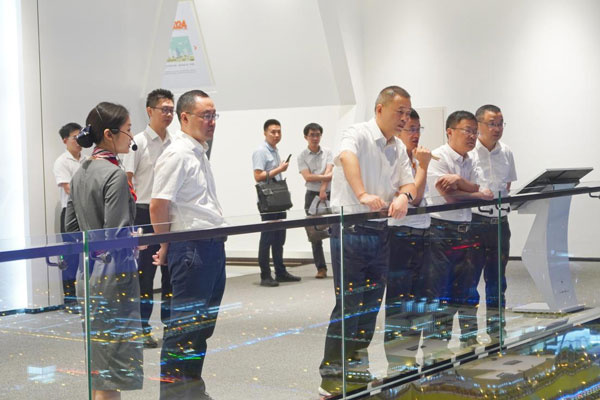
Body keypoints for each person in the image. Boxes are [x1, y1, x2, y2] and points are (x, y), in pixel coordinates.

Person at [319, 86, 417, 397]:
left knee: (371, 306)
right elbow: (347, 158)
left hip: (381, 231)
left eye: (407, 113)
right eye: (399, 112)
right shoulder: (357, 133)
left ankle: (356, 368)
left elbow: (409, 183)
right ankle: (332, 376)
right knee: (349, 305)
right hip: (352, 230)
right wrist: (361, 193)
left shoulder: (397, 146)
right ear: (379, 109)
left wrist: (403, 196)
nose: (404, 119)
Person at [150, 89, 225, 400]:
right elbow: (158, 204)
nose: (212, 121)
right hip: (191, 247)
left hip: (210, 245)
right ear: (185, 117)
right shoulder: (178, 154)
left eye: (214, 115)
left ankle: (191, 392)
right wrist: (165, 245)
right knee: (184, 329)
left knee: (200, 328)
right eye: (205, 115)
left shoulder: (197, 152)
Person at [65, 102, 143, 399]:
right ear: (109, 134)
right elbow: (116, 235)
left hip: (87, 274)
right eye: (128, 129)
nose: (131, 136)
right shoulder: (114, 174)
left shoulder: (80, 173)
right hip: (114, 276)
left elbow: (71, 228)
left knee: (101, 364)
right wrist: (137, 238)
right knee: (113, 368)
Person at [424, 110, 493, 346]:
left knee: (468, 290)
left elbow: (484, 190)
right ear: (450, 132)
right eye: (467, 131)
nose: (473, 136)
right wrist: (473, 191)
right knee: (440, 294)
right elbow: (450, 198)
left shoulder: (472, 159)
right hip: (441, 232)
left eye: (475, 132)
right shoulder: (438, 157)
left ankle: (469, 344)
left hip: (467, 230)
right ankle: (436, 354)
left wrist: (460, 182)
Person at [123, 88, 175, 348]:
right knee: (144, 275)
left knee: (171, 273)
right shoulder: (138, 142)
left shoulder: (176, 143)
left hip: (170, 212)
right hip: (144, 213)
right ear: (149, 111)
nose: (168, 114)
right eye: (164, 109)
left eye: (171, 110)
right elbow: (127, 180)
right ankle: (142, 328)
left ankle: (170, 325)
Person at [384, 109, 432, 371]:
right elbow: (415, 196)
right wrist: (423, 167)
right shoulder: (394, 157)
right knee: (400, 302)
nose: (416, 134)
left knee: (420, 302)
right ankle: (398, 364)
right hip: (401, 235)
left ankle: (413, 359)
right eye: (410, 129)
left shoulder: (416, 157)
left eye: (418, 129)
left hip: (424, 233)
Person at [469, 104, 516, 342]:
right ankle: (468, 336)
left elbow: (507, 185)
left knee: (498, 280)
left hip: (500, 223)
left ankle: (497, 332)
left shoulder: (506, 151)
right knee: (470, 280)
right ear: (478, 125)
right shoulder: (469, 152)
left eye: (500, 124)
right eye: (492, 124)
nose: (497, 129)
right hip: (474, 223)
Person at [252, 119, 301, 287]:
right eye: (273, 132)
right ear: (265, 133)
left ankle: (280, 271)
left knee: (279, 237)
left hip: (278, 200)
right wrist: (280, 169)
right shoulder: (261, 151)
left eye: (279, 131)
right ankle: (265, 275)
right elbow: (258, 176)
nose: (276, 135)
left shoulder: (274, 150)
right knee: (267, 238)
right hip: (268, 201)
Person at [52, 122, 83, 311]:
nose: (79, 140)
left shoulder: (87, 160)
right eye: (75, 137)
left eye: (81, 136)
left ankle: (86, 296)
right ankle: (70, 300)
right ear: (65, 140)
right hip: (70, 214)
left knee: (88, 256)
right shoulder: (62, 161)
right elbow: (68, 188)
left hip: (86, 213)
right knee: (70, 259)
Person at [297, 122, 333, 279]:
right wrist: (324, 177)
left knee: (336, 229)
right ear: (306, 137)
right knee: (314, 233)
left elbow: (330, 173)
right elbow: (307, 177)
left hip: (329, 194)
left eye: (317, 134)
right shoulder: (302, 156)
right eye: (312, 135)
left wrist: (323, 188)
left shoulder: (328, 152)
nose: (315, 138)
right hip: (311, 195)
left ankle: (339, 264)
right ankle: (321, 268)